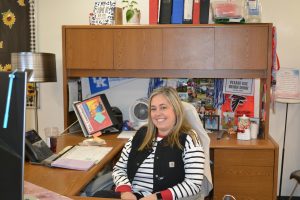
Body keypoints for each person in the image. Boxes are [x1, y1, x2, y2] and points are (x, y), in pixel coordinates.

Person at [112, 87, 205, 200]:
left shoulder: (189, 139)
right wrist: (125, 192)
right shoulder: (140, 135)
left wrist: (158, 197)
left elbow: (193, 184)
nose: (157, 114)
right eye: (153, 109)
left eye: (163, 107)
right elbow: (120, 168)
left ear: (175, 110)